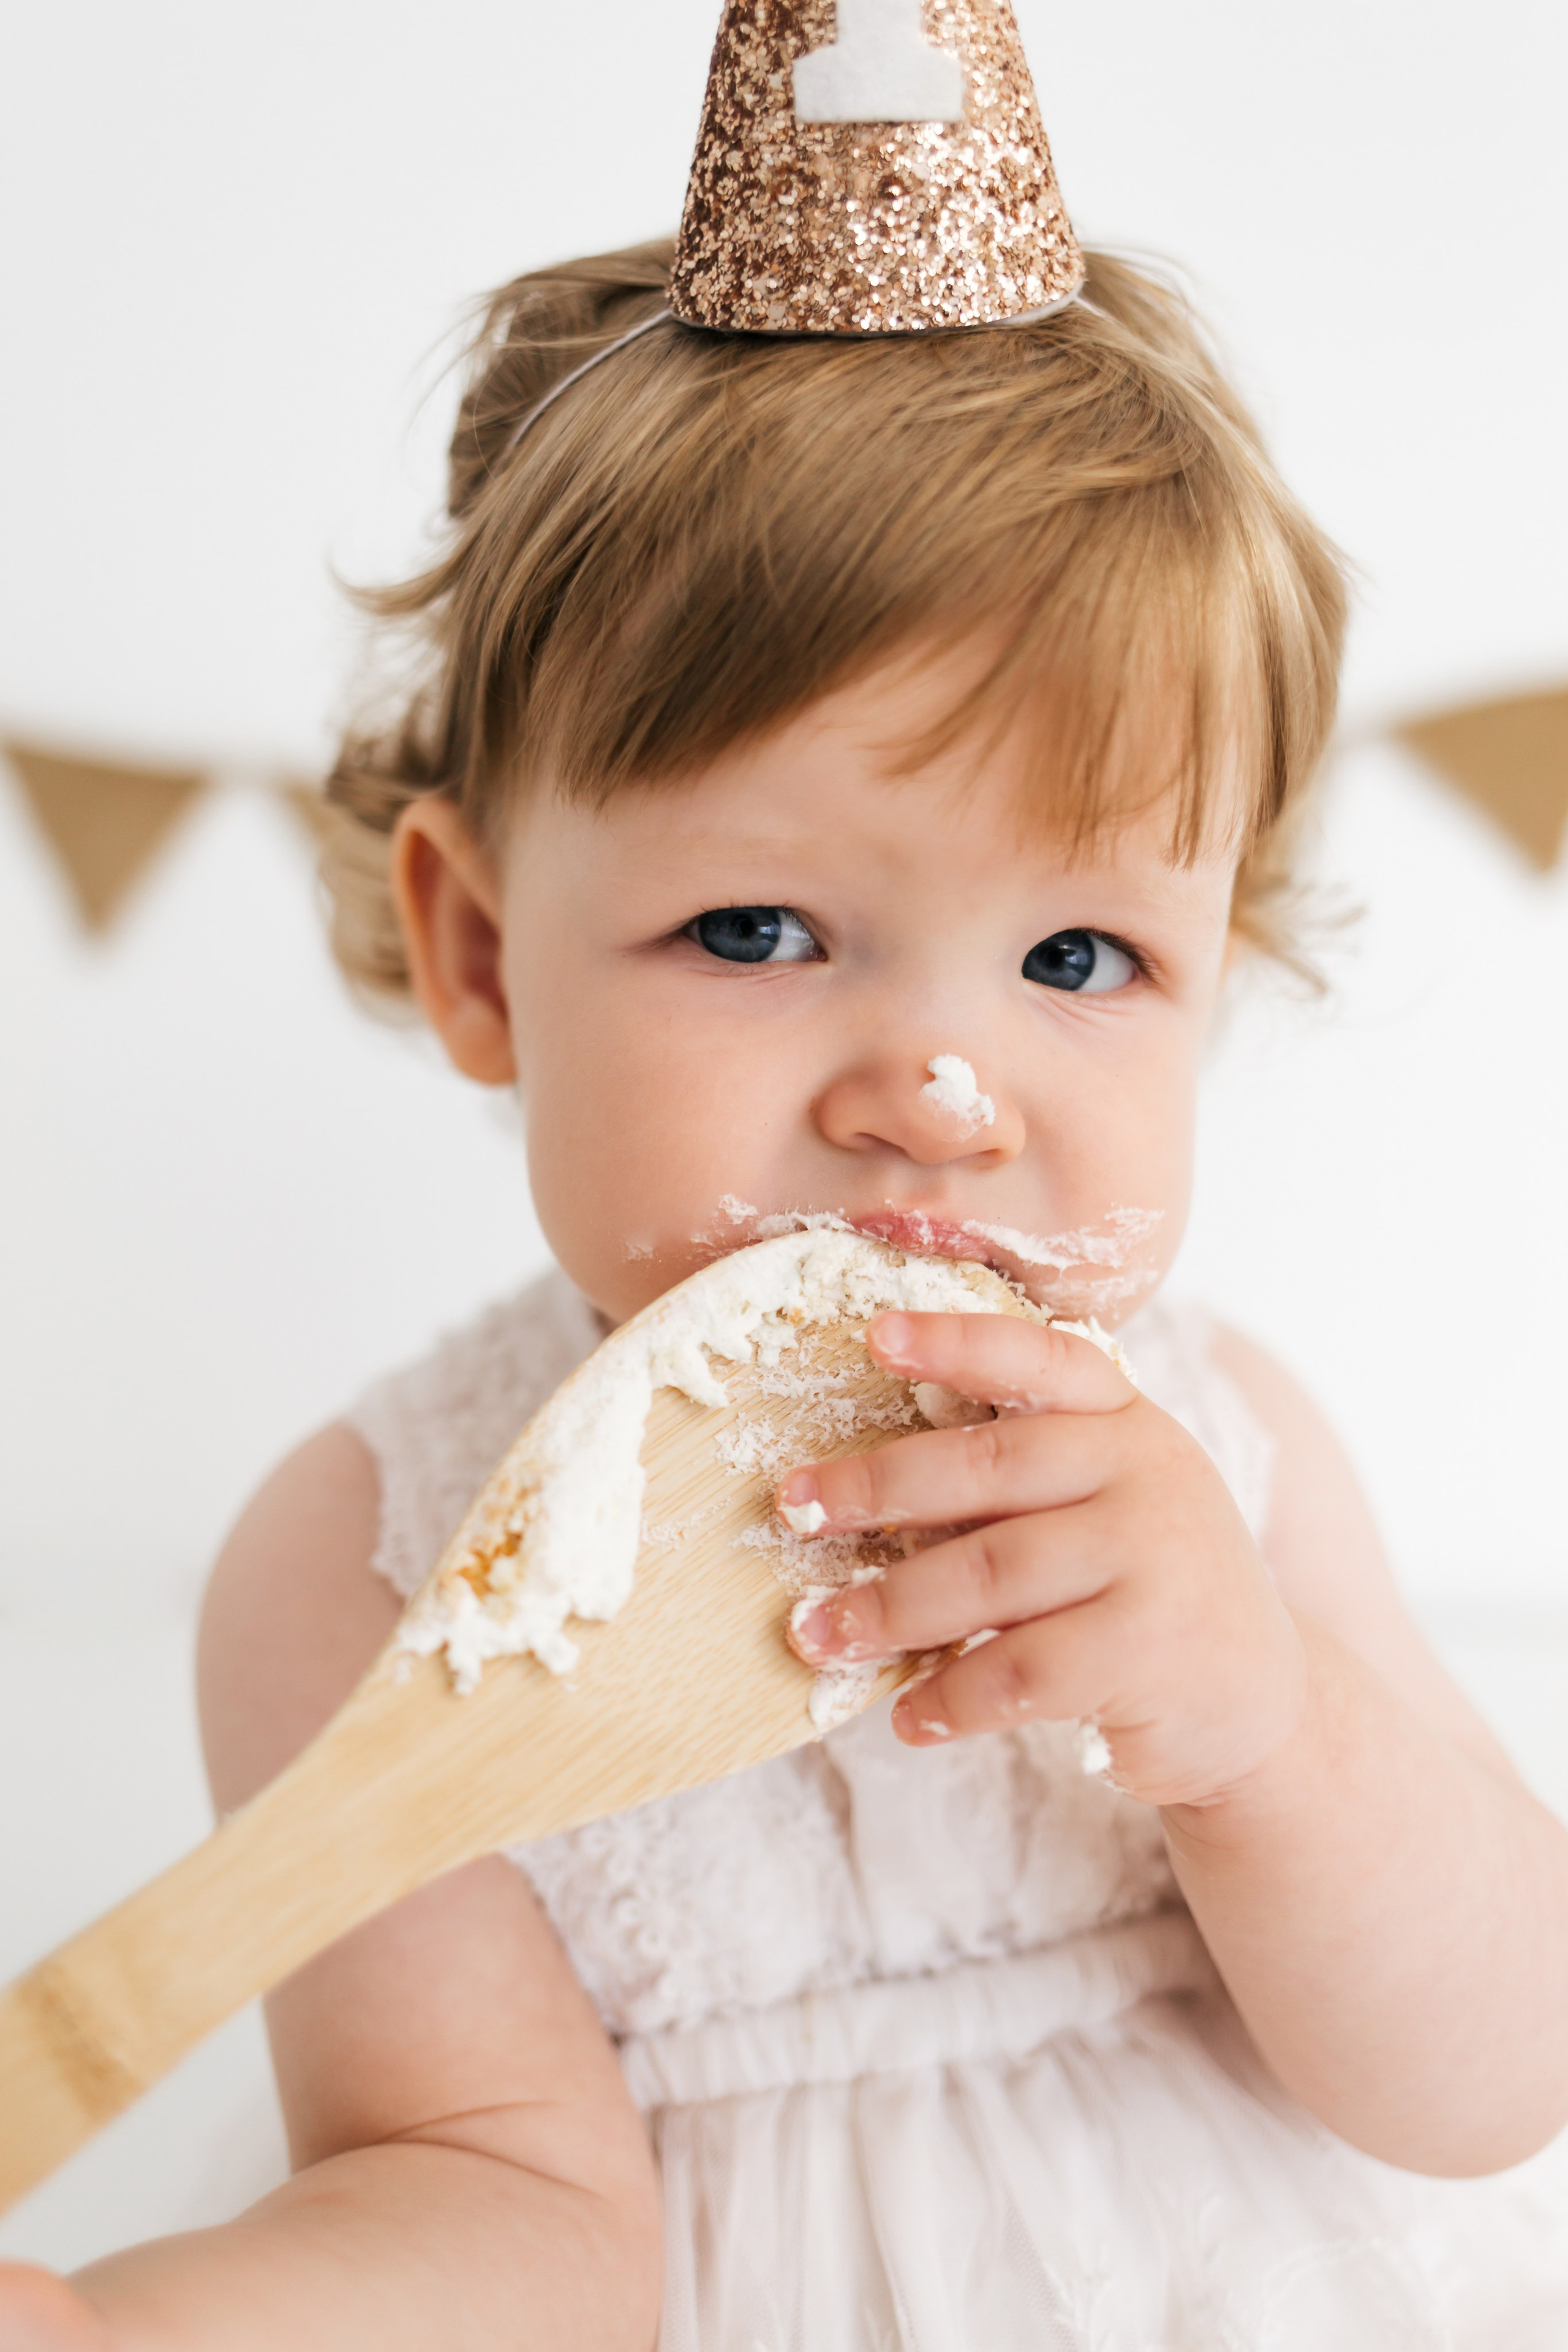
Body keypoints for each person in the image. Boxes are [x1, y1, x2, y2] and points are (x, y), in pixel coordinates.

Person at [7, 14, 1568, 2345]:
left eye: (1080, 953)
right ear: (479, 956)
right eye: (759, 931)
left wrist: (1267, 1732)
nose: (938, 1090)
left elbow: (1489, 2075)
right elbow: (497, 2204)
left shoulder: (1227, 1453)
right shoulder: (367, 1565)